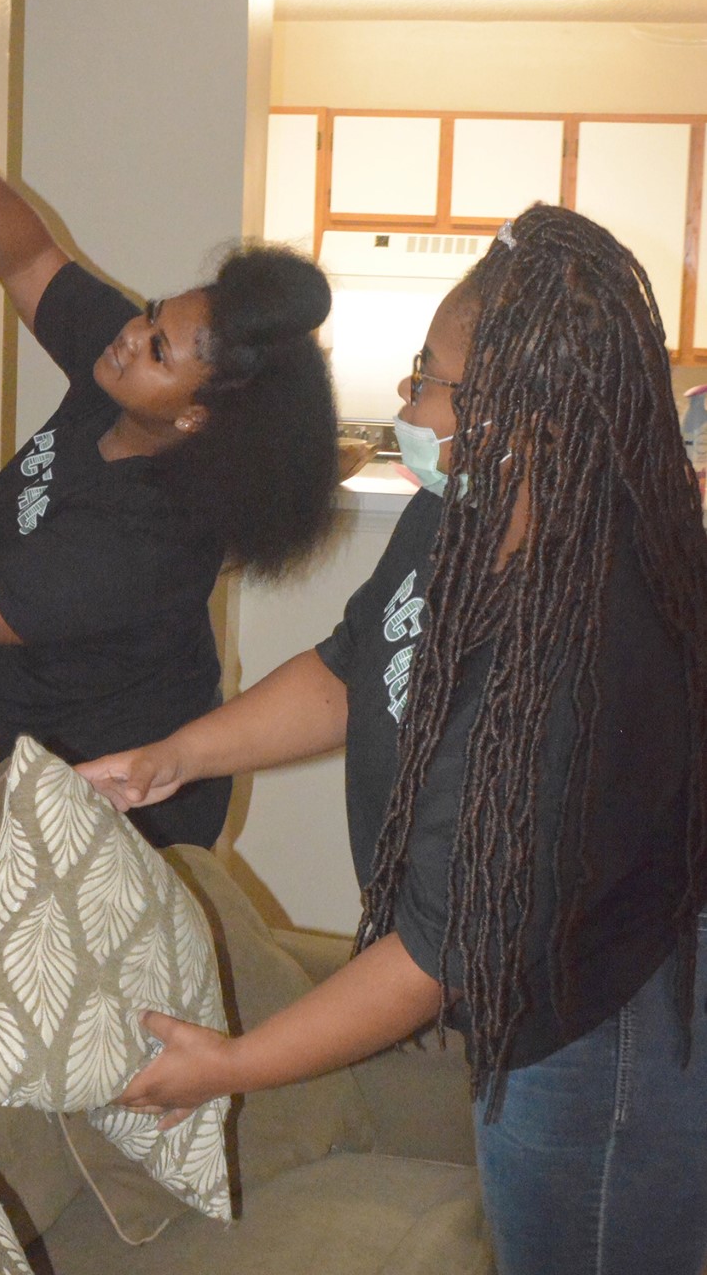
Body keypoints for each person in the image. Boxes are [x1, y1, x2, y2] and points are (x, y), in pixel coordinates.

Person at [77, 205, 707, 1275]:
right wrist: (176, 755)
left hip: (592, 1042)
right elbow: (349, 664)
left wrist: (229, 1064)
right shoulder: (463, 504)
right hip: (515, 987)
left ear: (524, 416)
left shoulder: (584, 653)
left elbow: (431, 949)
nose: (406, 404)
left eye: (428, 379)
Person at [0, 46, 339, 850]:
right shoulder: (120, 375)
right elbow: (27, 258)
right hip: (56, 762)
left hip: (132, 806)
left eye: (159, 351)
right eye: (151, 315)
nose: (130, 336)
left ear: (195, 419)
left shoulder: (150, 531)